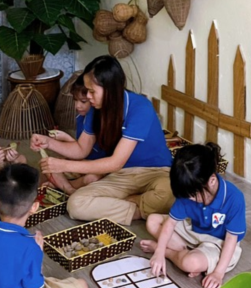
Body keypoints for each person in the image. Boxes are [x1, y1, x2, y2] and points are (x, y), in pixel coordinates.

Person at [31, 55, 173, 226]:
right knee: (76, 204)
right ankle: (136, 209)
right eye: (87, 91)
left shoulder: (141, 108)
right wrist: (49, 142)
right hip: (122, 175)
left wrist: (64, 165)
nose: (88, 96)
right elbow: (81, 149)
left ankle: (129, 203)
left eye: (92, 91)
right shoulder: (96, 109)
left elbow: (115, 162)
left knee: (170, 192)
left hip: (156, 172)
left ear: (110, 89)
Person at [140, 142, 245, 288]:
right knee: (152, 221)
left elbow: (231, 239)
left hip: (219, 243)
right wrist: (159, 253)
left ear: (212, 180)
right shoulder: (189, 190)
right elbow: (170, 223)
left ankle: (175, 255)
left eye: (193, 196)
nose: (189, 199)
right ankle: (186, 254)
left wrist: (218, 273)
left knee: (190, 263)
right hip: (193, 230)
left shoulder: (234, 198)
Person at [45, 75, 101, 194]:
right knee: (48, 164)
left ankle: (65, 187)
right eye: (75, 100)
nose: (77, 106)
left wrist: (66, 138)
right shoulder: (80, 117)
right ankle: (68, 187)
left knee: (91, 179)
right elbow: (80, 149)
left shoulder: (97, 119)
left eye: (83, 101)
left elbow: (83, 152)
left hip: (96, 166)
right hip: (82, 162)